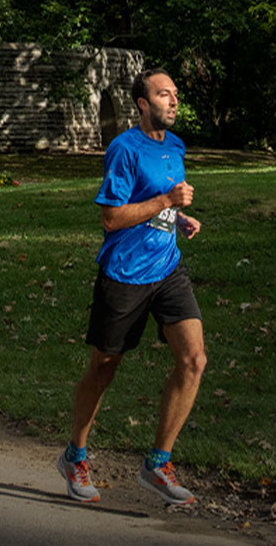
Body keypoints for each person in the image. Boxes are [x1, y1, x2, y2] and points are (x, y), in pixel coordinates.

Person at [57, 68, 206, 506]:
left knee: (194, 360)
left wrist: (178, 218)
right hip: (124, 274)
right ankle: (75, 455)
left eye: (176, 94)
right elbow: (111, 218)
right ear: (143, 103)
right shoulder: (123, 149)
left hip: (167, 269)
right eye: (165, 95)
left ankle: (158, 463)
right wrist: (166, 202)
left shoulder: (176, 147)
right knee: (103, 370)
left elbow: (160, 200)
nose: (174, 101)